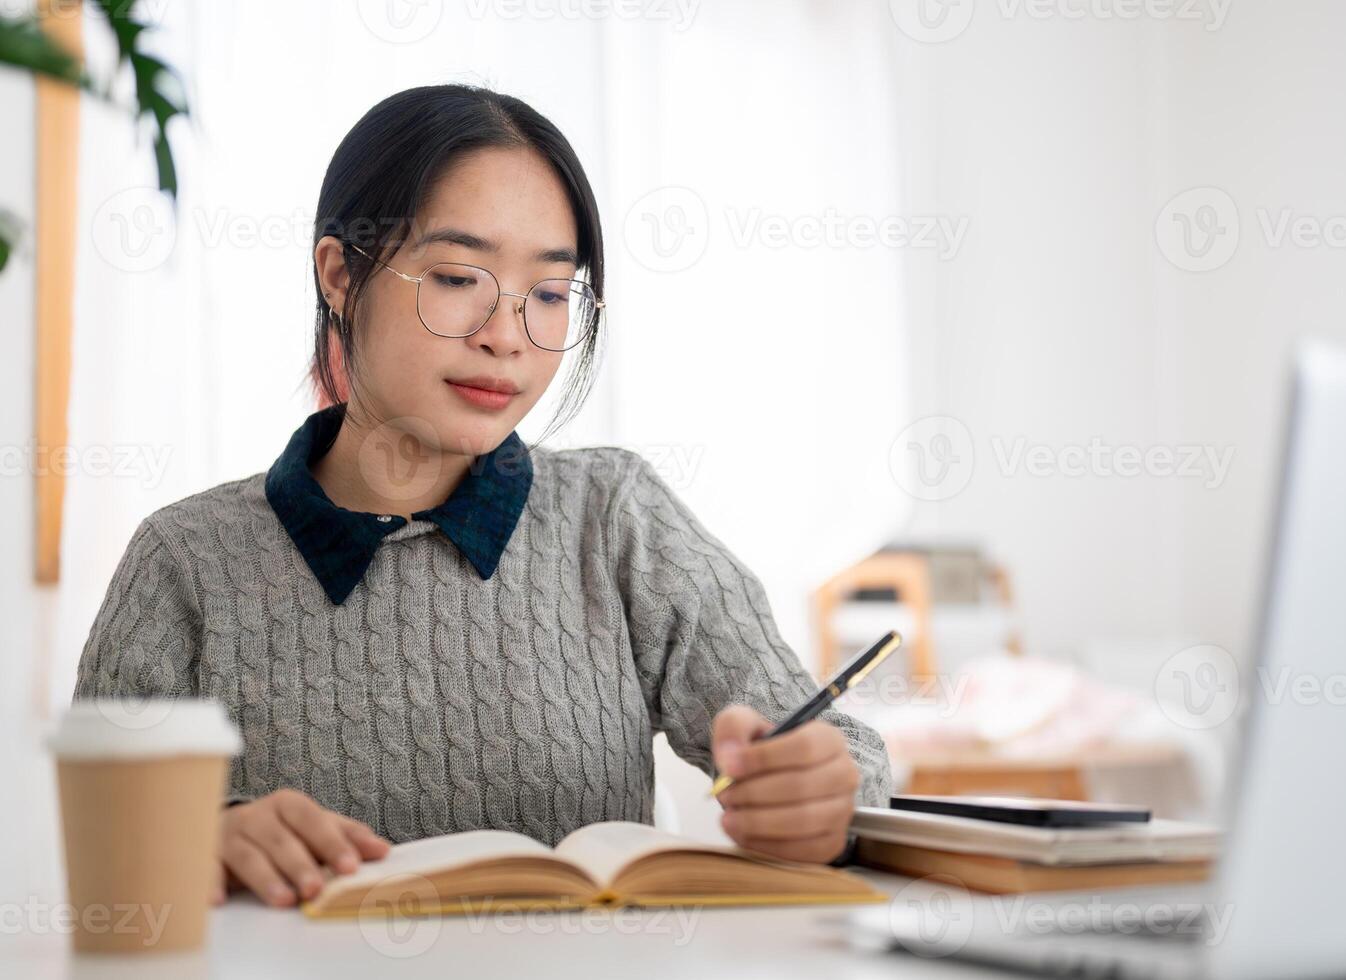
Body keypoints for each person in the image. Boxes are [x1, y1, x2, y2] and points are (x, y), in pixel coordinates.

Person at [71, 84, 892, 909]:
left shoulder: (615, 520)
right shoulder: (186, 563)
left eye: (547, 294)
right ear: (340, 275)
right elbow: (101, 866)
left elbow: (838, 751)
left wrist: (825, 798)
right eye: (460, 277)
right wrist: (199, 843)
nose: (506, 336)